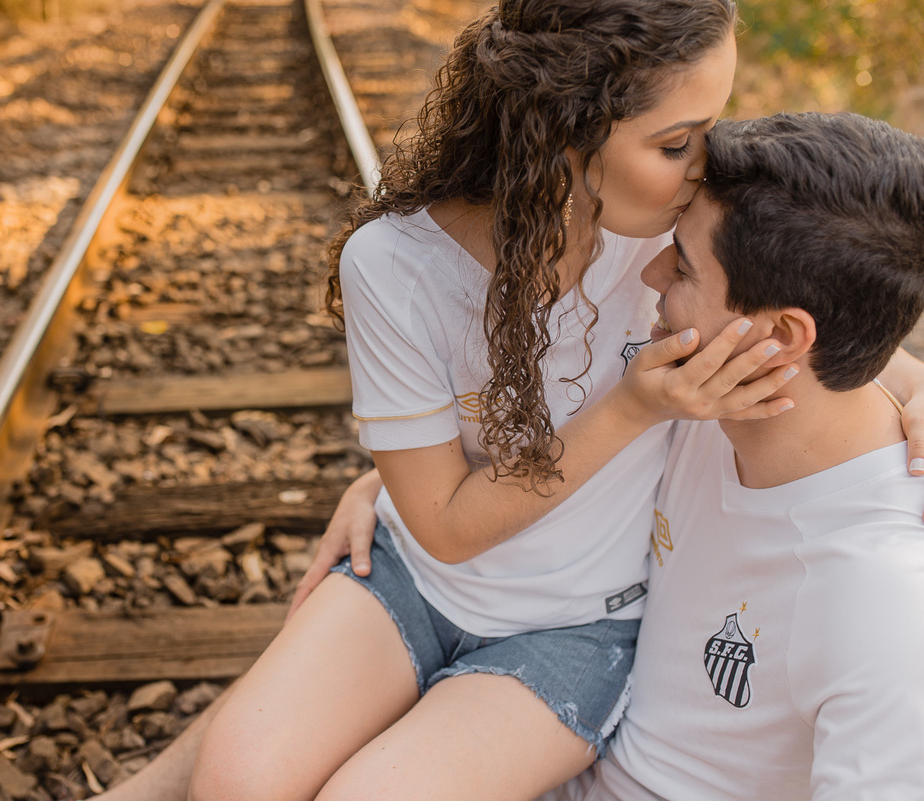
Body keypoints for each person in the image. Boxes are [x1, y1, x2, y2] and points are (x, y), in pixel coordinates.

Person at [91, 2, 924, 800]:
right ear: (566, 129)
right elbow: (445, 524)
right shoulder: (406, 264)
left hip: (578, 623)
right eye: (677, 142)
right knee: (234, 780)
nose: (706, 167)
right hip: (419, 576)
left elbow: (827, 327)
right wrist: (393, 477)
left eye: (709, 129)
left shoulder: (662, 237)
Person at [535, 111, 924, 800]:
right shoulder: (689, 397)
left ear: (781, 336)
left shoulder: (880, 593)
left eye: (683, 266)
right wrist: (391, 491)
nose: (650, 272)